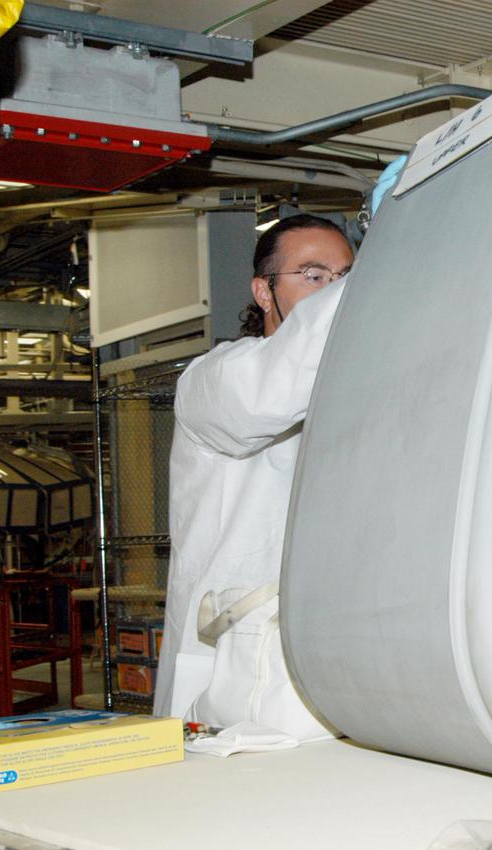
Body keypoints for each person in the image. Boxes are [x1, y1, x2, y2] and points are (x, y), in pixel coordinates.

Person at [153, 214, 354, 741]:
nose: (333, 290)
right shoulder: (215, 379)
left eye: (345, 276)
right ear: (264, 292)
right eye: (314, 275)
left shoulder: (349, 393)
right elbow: (269, 394)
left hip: (324, 645)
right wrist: (376, 275)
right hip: (226, 656)